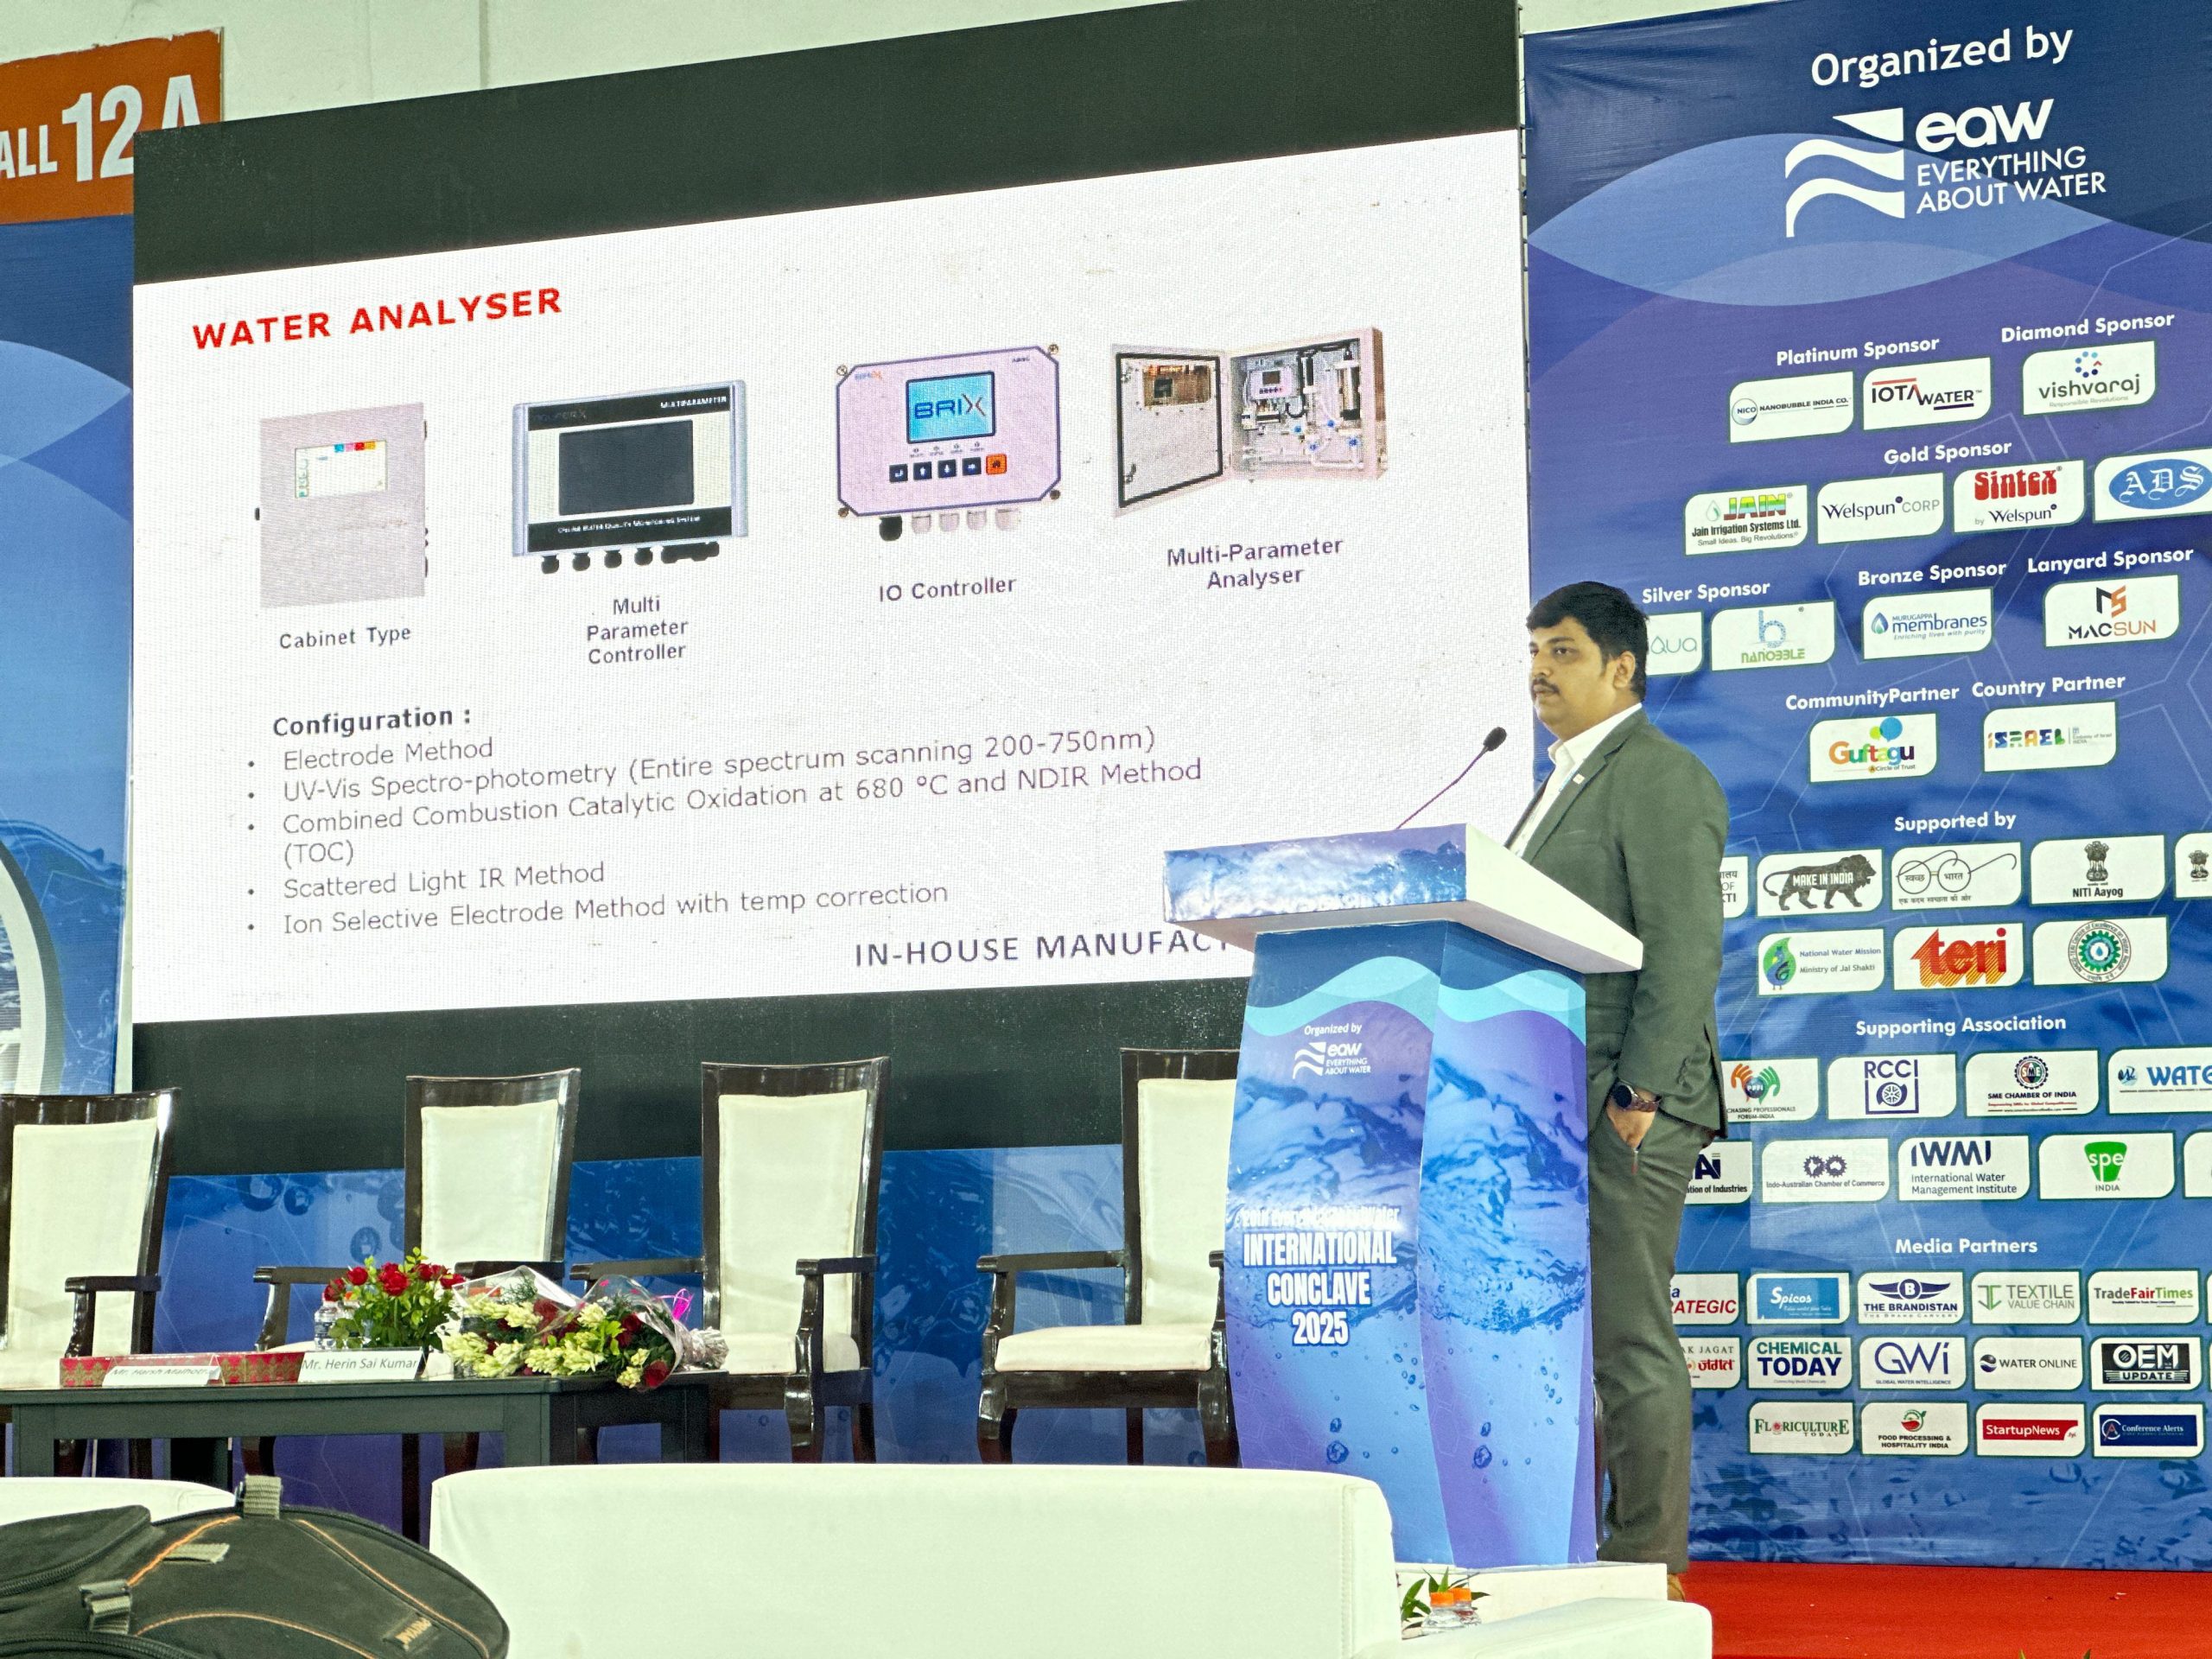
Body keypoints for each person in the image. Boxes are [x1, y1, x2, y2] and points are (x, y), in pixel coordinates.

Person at [1505, 581, 1726, 1597]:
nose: (1539, 670)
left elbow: (1683, 950)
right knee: (1568, 1336)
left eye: (1562, 651)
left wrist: (1637, 1094)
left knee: (1627, 1337)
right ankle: (1567, 1549)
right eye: (1533, 650)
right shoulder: (1560, 780)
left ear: (1621, 667)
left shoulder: (1659, 775)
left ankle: (1645, 1567)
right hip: (1543, 1093)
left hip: (1620, 1101)